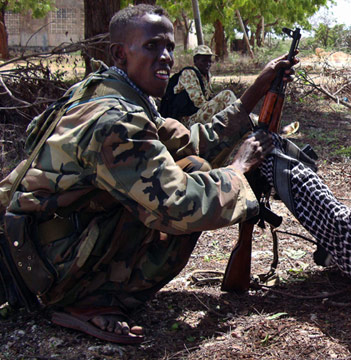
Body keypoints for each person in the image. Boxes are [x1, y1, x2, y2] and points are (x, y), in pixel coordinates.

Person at [0, 4, 294, 344]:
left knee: (193, 167)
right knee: (186, 189)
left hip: (38, 244)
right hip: (43, 267)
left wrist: (256, 91)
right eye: (152, 46)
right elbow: (181, 206)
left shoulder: (112, 91)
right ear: (120, 54)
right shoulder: (115, 120)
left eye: (169, 46)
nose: (167, 56)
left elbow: (190, 145)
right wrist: (238, 171)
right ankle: (85, 300)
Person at [159, 44, 237, 127]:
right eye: (204, 61)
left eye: (209, 61)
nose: (208, 64)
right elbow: (199, 103)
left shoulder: (205, 75)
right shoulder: (189, 73)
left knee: (226, 103)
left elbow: (209, 97)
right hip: (187, 120)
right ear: (195, 61)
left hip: (198, 114)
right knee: (227, 95)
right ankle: (238, 122)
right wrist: (218, 103)